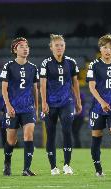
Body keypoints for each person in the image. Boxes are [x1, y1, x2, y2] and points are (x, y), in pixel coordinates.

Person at [40, 34, 82, 175]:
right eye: (56, 45)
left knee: (67, 130)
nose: (59, 47)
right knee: (50, 133)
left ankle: (67, 165)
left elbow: (75, 83)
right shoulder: (46, 63)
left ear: (65, 47)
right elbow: (43, 84)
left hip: (66, 102)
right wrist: (44, 102)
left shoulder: (71, 62)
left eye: (61, 45)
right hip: (50, 103)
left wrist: (78, 101)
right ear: (51, 47)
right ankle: (53, 167)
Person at [86, 34, 111, 177]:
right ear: (100, 49)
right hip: (98, 107)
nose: (107, 50)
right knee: (97, 138)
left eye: (110, 47)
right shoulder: (94, 65)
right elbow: (92, 87)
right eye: (105, 47)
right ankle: (98, 169)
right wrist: (102, 102)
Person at [0, 37, 39, 176]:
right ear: (15, 50)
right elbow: (4, 89)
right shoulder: (8, 66)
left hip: (28, 108)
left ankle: (26, 169)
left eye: (26, 46)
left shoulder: (33, 68)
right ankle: (7, 163)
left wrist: (36, 107)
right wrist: (8, 106)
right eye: (21, 46)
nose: (25, 48)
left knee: (29, 136)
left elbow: (35, 89)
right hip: (13, 108)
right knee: (11, 140)